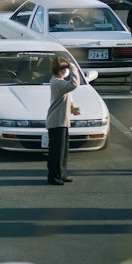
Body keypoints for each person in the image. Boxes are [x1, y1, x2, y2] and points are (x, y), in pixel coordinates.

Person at [46, 56, 81, 186]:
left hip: (62, 120)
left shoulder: (60, 82)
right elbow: (74, 84)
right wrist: (73, 68)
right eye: (65, 68)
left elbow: (67, 99)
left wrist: (73, 109)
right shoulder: (56, 82)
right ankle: (54, 176)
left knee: (63, 151)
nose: (67, 70)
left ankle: (61, 174)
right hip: (57, 121)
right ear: (59, 69)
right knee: (56, 152)